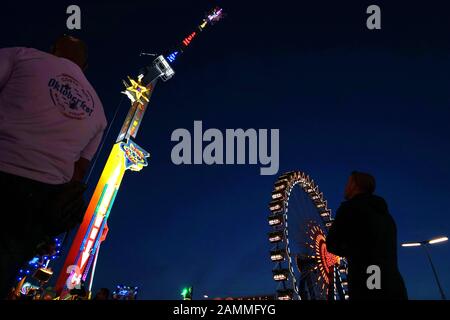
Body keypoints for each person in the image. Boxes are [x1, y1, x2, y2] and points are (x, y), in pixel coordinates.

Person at [0, 35, 107, 298]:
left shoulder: (23, 55)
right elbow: (78, 172)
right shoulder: (99, 112)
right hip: (36, 204)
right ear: (84, 66)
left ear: (54, 49)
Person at [326, 171, 408, 300]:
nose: (345, 187)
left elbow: (332, 244)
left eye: (348, 183)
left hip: (369, 280)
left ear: (354, 185)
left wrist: (350, 251)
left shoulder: (349, 208)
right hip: (394, 283)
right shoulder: (386, 216)